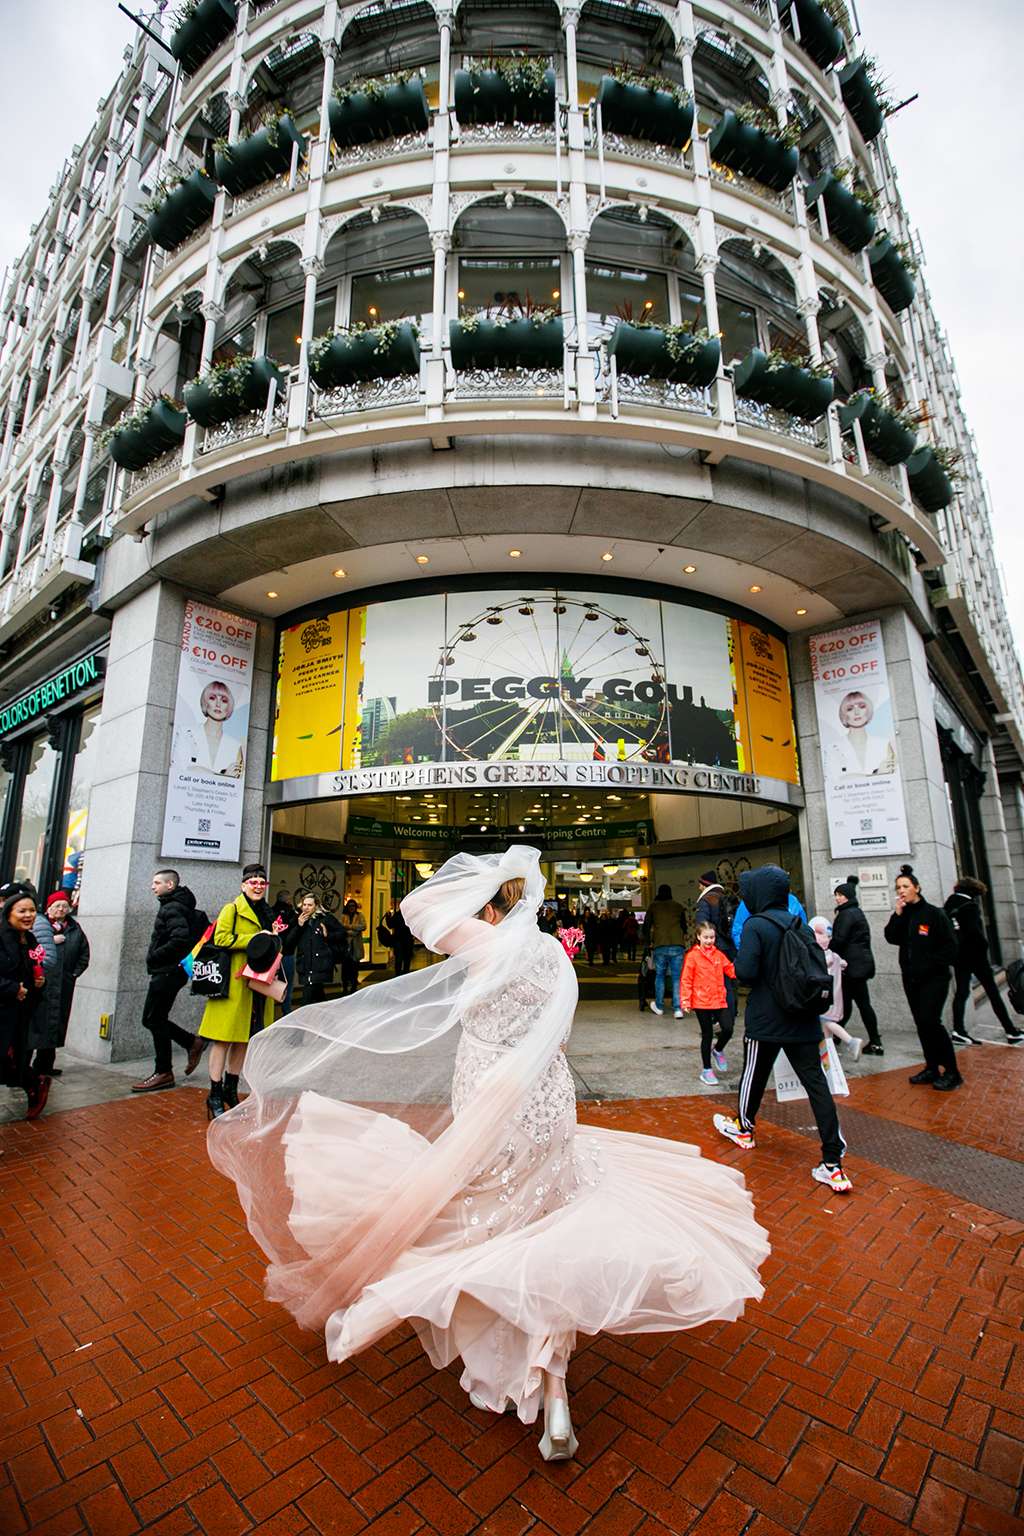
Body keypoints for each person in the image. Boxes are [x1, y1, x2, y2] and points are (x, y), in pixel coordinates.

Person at [209, 845, 769, 1462]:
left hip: (489, 1103)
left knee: (488, 1217)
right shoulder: (552, 955)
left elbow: (416, 908)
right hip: (546, 1105)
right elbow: (559, 1038)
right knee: (546, 1221)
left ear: (487, 907)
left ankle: (528, 1364)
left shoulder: (485, 944)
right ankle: (554, 1388)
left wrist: (489, 872)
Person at [714, 864, 853, 1195]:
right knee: (817, 1085)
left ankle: (744, 1127)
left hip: (766, 1019)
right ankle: (833, 1162)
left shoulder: (756, 924)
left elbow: (746, 972)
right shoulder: (799, 924)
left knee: (754, 1074)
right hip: (803, 1018)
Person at [199, 863, 277, 1119]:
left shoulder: (267, 912)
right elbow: (221, 939)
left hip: (257, 984)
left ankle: (231, 1090)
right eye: (253, 882)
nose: (258, 886)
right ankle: (214, 1094)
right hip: (233, 984)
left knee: (244, 1038)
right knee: (223, 1039)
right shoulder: (231, 909)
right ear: (244, 885)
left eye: (262, 883)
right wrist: (255, 939)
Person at [884, 865, 961, 1089]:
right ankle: (931, 1067)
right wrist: (897, 914)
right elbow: (891, 937)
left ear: (916, 888)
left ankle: (952, 1071)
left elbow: (951, 948)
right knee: (921, 1023)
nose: (901, 891)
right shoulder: (903, 914)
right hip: (911, 979)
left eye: (905, 886)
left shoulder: (934, 914)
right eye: (898, 887)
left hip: (934, 979)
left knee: (931, 1021)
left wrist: (929, 964)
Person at [132, 870, 206, 1093]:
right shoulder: (178, 904)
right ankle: (190, 1043)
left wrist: (154, 956)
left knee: (153, 1018)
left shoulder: (172, 907)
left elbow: (180, 938)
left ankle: (164, 1071)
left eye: (157, 882)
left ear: (170, 885)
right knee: (154, 1018)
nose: (152, 886)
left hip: (167, 971)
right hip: (172, 971)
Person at [944, 876, 1023, 1046]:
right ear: (973, 892)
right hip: (976, 957)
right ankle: (1010, 1031)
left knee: (961, 993)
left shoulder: (949, 904)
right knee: (993, 993)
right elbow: (975, 934)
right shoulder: (970, 907)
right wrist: (984, 946)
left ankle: (958, 1030)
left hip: (959, 957)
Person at [30, 893, 90, 1078]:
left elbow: (84, 953)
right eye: (57, 905)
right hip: (41, 982)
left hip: (63, 983)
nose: (61, 909)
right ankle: (23, 1067)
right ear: (49, 908)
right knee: (35, 1023)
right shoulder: (39, 926)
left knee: (55, 1023)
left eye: (65, 906)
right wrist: (49, 940)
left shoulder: (74, 928)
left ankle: (45, 1065)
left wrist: (73, 974)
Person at [0, 890, 48, 1119]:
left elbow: (33, 971)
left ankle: (34, 1084)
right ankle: (33, 1083)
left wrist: (39, 982)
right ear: (8, 913)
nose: (28, 915)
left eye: (32, 910)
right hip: (2, 1010)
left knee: (11, 1060)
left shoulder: (31, 940)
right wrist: (12, 988)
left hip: (19, 1014)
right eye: (22, 911)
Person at [830, 877, 883, 1055]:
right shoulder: (855, 912)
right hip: (859, 966)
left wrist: (826, 949)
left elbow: (839, 939)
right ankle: (839, 1035)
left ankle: (873, 1041)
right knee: (852, 1003)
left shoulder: (847, 914)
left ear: (848, 896)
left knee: (854, 1004)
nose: (837, 898)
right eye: (836, 895)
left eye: (840, 895)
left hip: (852, 967)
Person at [679, 921, 736, 1086]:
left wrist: (747, 969)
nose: (709, 940)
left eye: (712, 937)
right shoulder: (692, 956)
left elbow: (731, 970)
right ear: (698, 937)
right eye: (706, 937)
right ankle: (707, 1070)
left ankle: (718, 1050)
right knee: (707, 1035)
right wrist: (685, 1000)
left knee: (728, 1028)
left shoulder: (719, 955)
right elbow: (686, 979)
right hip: (701, 1002)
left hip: (719, 999)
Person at [695, 872, 738, 1044]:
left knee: (715, 987)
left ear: (705, 884)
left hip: (715, 950)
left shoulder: (706, 900)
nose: (698, 887)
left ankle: (719, 1024)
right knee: (729, 986)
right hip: (729, 948)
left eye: (700, 884)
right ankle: (729, 1022)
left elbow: (702, 926)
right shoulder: (726, 897)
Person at [809, 918, 861, 1059]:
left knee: (827, 1023)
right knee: (826, 1028)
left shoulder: (823, 958)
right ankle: (829, 1052)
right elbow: (844, 964)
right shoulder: (835, 956)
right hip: (836, 998)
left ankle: (851, 1041)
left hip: (826, 998)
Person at [174, 678, 245, 778]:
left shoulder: (235, 746)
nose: (218, 704)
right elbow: (179, 768)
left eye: (224, 700)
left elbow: (237, 782)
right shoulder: (186, 732)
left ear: (229, 707)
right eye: (212, 698)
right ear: (205, 702)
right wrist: (222, 776)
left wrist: (200, 770)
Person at [286, 893, 344, 1006]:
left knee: (307, 996)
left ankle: (303, 1016)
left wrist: (328, 935)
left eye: (310, 905)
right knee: (318, 995)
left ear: (316, 906)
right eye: (304, 905)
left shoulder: (325, 918)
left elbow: (342, 933)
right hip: (305, 964)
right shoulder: (297, 919)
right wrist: (299, 926)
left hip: (321, 963)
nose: (306, 908)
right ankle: (326, 1014)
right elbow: (289, 942)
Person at [826, 691, 897, 778]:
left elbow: (892, 775)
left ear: (868, 710)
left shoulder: (884, 744)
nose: (857, 712)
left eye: (862, 706)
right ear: (844, 714)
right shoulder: (833, 748)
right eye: (850, 709)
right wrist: (876, 774)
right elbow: (835, 779)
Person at [644, 883, 685, 1017]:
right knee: (676, 977)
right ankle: (678, 1008)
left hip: (660, 944)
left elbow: (646, 926)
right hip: (678, 944)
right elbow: (684, 926)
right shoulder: (678, 906)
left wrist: (648, 942)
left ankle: (659, 1006)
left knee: (660, 975)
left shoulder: (653, 906)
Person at [732, 885, 805, 952]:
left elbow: (803, 929)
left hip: (791, 954)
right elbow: (738, 932)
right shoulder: (750, 900)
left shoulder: (792, 900)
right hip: (762, 955)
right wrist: (750, 952)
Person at [273, 889, 298, 1014]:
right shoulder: (291, 912)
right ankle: (286, 1009)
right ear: (288, 900)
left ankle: (270, 1008)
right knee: (287, 982)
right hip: (288, 952)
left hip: (274, 952)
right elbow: (294, 929)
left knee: (272, 981)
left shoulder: (271, 911)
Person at [339, 899, 366, 994]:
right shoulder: (343, 916)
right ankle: (345, 987)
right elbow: (340, 927)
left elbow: (363, 926)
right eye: (350, 906)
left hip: (355, 946)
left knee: (355, 968)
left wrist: (349, 927)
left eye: (353, 906)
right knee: (345, 968)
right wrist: (353, 930)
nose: (352, 908)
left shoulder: (359, 915)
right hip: (345, 945)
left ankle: (354, 986)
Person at [380, 900, 415, 975]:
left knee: (400, 958)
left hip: (399, 939)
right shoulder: (409, 915)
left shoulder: (397, 915)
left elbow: (390, 925)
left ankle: (398, 974)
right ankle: (404, 973)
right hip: (406, 939)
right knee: (406, 958)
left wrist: (388, 917)